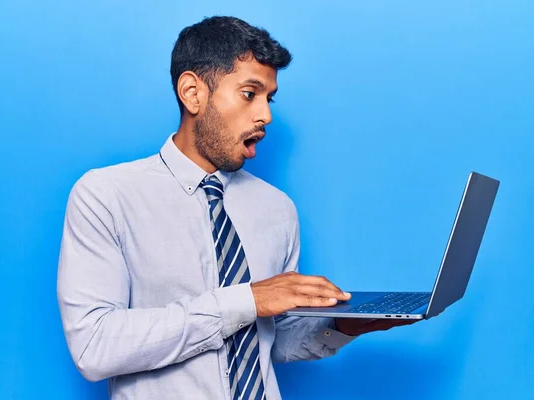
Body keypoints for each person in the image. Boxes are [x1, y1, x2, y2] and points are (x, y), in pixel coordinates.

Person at [57, 15, 415, 400]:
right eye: (250, 93)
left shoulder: (277, 209)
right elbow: (94, 347)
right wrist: (246, 300)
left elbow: (268, 343)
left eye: (269, 98)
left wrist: (342, 327)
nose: (266, 115)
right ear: (193, 93)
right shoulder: (106, 195)